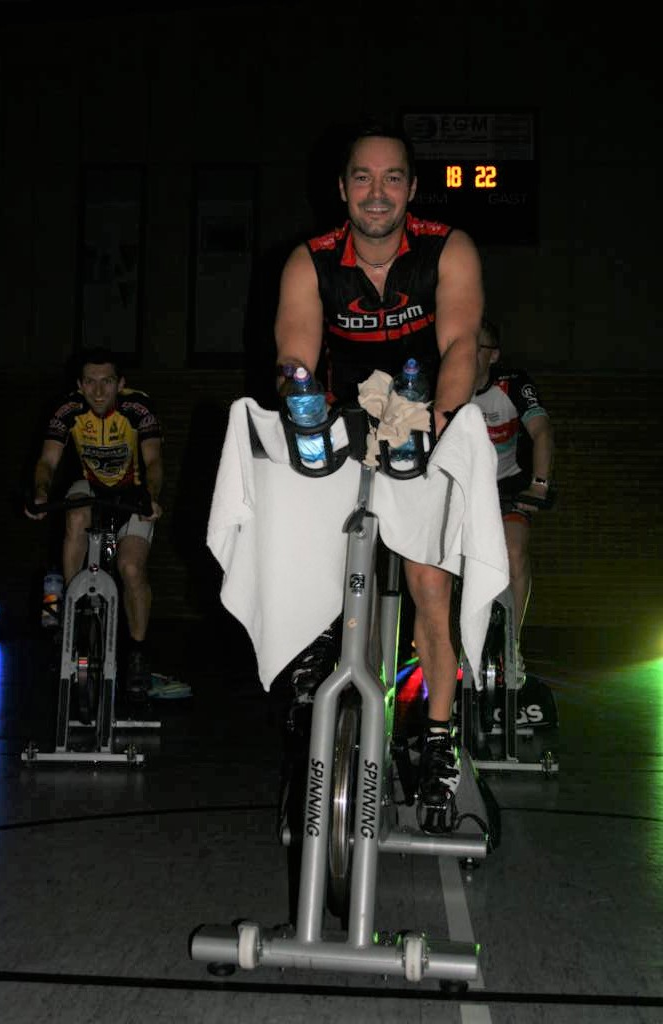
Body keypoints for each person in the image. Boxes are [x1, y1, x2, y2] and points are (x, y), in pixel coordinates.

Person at [273, 120, 485, 823]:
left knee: (429, 582)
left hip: (424, 413)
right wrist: (299, 398)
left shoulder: (448, 248)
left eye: (392, 178)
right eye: (362, 177)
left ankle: (439, 740)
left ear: (412, 188)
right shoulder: (310, 261)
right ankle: (315, 646)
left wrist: (440, 424)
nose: (376, 192)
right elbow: (295, 355)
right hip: (345, 417)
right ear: (342, 188)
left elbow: (460, 343)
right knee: (303, 518)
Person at [24, 346, 164, 700]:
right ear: (79, 385)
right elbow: (47, 462)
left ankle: (138, 652)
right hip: (91, 488)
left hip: (132, 493)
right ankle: (70, 610)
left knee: (131, 568)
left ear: (121, 383)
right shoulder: (67, 410)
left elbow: (154, 461)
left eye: (107, 382)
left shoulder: (138, 408)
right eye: (90, 382)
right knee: (74, 510)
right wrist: (40, 493)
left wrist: (151, 496)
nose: (99, 391)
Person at [470, 318, 555, 678]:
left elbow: (542, 432)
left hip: (507, 485)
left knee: (515, 551)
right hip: (464, 487)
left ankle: (512, 644)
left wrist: (539, 485)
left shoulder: (512, 384)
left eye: (477, 347)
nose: (468, 354)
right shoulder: (446, 384)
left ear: (493, 356)